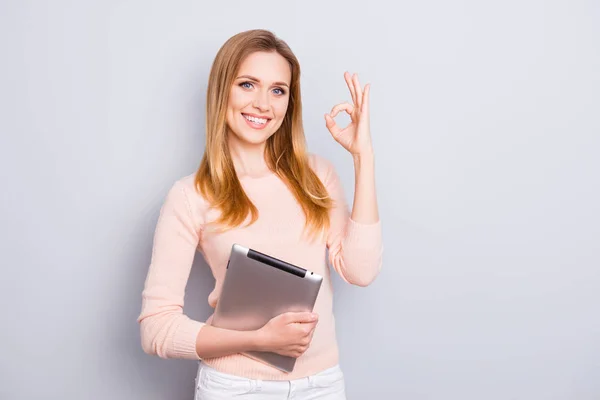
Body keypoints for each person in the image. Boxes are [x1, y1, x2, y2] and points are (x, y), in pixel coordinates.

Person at [137, 29, 383, 399]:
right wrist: (260, 339)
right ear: (223, 90)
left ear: (289, 102)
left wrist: (363, 158)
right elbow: (156, 329)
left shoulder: (317, 175)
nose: (263, 104)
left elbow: (361, 271)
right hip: (235, 389)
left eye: (278, 90)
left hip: (322, 386)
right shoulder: (191, 196)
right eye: (248, 84)